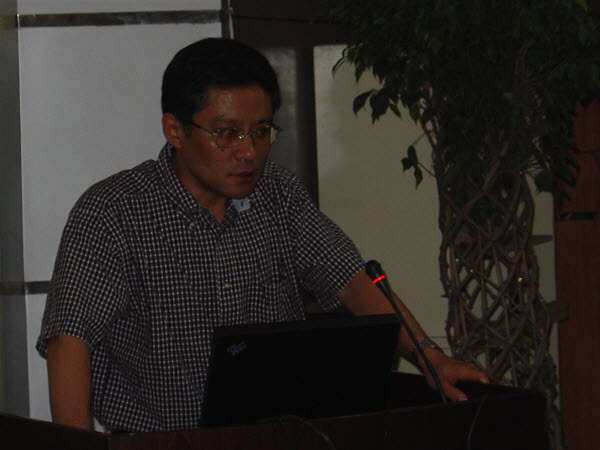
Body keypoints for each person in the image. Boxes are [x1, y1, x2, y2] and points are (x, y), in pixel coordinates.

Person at [36, 38, 488, 433]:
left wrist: (430, 357)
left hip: (277, 436)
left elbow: (351, 278)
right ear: (175, 130)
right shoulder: (114, 211)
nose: (249, 152)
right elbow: (68, 340)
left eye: (260, 132)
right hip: (160, 440)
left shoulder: (278, 194)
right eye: (227, 134)